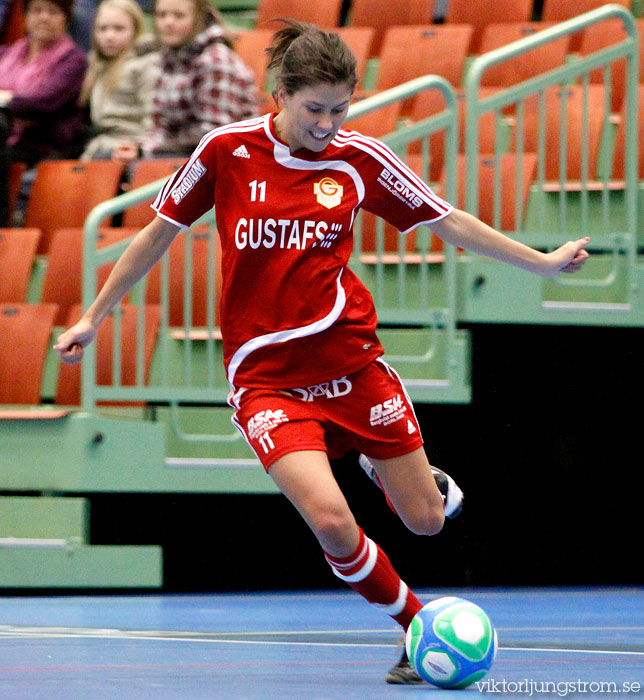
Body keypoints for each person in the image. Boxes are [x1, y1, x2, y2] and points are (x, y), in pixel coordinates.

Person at [54, 21, 590, 685]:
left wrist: (541, 262)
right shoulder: (227, 151)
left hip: (351, 364)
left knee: (425, 521)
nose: (328, 124)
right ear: (279, 95)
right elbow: (155, 235)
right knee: (333, 521)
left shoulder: (360, 160)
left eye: (341, 109)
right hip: (266, 381)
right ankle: (415, 624)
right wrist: (92, 318)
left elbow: (445, 219)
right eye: (315, 109)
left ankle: (379, 461)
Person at [110, 0, 257, 164]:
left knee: (137, 168)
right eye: (161, 15)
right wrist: (140, 147)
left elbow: (215, 134)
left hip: (225, 158)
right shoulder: (168, 58)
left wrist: (148, 149)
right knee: (112, 160)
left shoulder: (216, 60)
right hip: (179, 154)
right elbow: (161, 123)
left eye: (178, 16)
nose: (168, 22)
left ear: (198, 19)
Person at [0, 0, 87, 225]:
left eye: (52, 12)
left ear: (66, 19)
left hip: (40, 146)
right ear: (26, 16)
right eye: (37, 10)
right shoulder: (6, 53)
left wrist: (6, 100)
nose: (43, 17)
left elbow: (43, 103)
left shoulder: (72, 60)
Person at [79, 0, 158, 161]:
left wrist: (139, 148)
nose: (109, 36)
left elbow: (152, 120)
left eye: (119, 29)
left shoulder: (146, 65)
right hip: (101, 146)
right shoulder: (95, 65)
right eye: (103, 29)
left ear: (136, 31)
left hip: (129, 148)